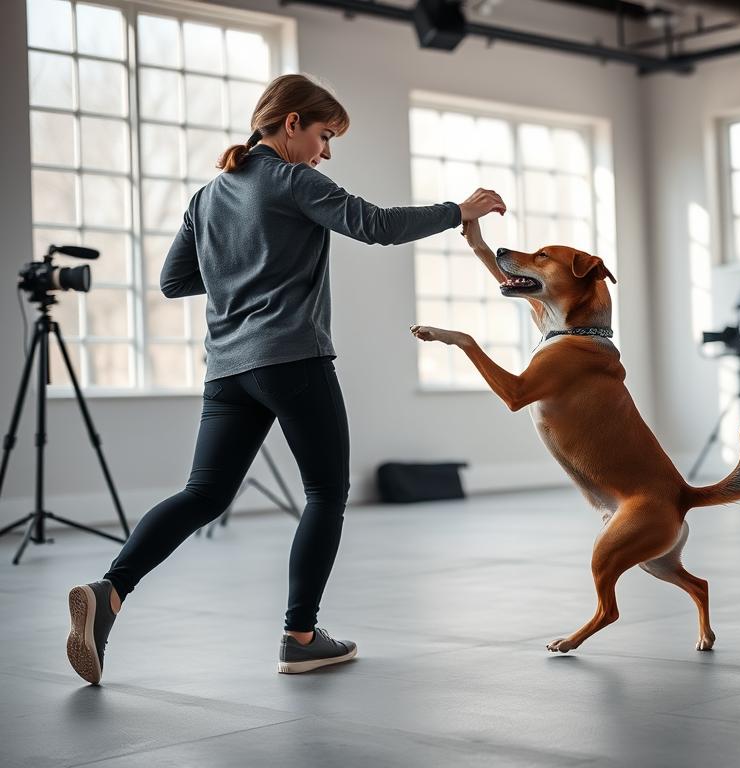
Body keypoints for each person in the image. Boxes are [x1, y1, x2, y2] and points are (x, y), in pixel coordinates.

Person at [65, 73, 507, 684]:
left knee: (204, 495)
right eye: (325, 136)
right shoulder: (293, 178)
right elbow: (375, 225)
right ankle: (301, 637)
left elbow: (174, 280)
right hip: (293, 360)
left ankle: (108, 592)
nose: (326, 152)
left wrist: (238, 268)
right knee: (327, 491)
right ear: (292, 122)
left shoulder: (207, 195)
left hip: (227, 370)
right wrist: (459, 210)